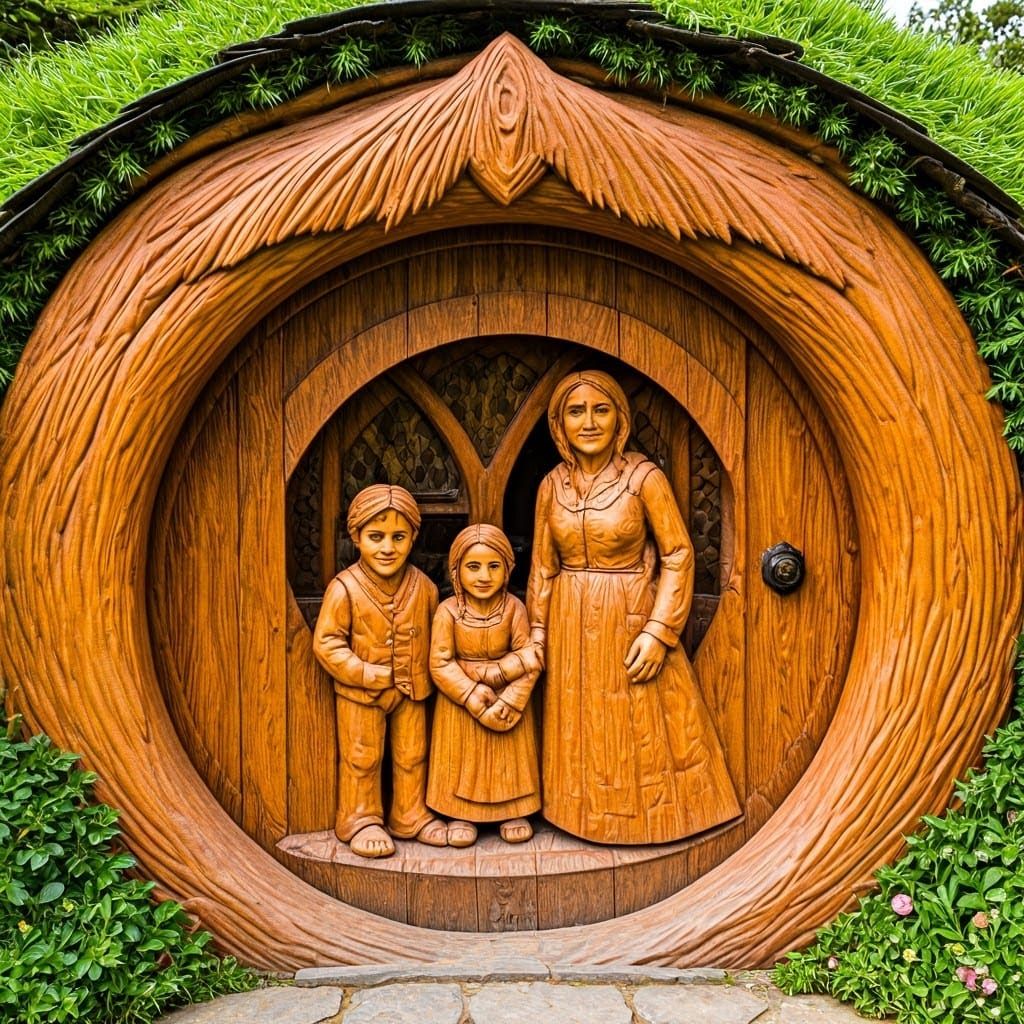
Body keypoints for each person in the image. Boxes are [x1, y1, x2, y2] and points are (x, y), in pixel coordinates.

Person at [527, 370, 740, 845]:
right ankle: (575, 813)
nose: (589, 422)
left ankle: (649, 821)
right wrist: (537, 633)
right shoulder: (552, 486)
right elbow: (542, 567)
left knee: (639, 725)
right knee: (579, 724)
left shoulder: (644, 479)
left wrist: (659, 630)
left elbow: (678, 554)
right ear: (559, 424)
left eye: (600, 410)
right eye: (576, 412)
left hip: (630, 613)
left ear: (619, 419)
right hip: (569, 620)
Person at [313, 484, 448, 858]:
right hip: (360, 694)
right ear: (356, 537)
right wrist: (364, 672)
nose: (387, 547)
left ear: (413, 538)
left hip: (412, 690)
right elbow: (327, 643)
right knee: (362, 757)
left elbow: (437, 636)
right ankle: (360, 819)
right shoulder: (344, 588)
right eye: (376, 537)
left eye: (398, 537)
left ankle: (411, 814)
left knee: (413, 754)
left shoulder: (424, 588)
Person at [426, 524, 542, 846]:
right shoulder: (448, 612)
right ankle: (459, 812)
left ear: (508, 570)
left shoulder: (515, 609)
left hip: (505, 701)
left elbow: (529, 659)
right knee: (462, 761)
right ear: (456, 571)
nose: (484, 576)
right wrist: (470, 693)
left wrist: (511, 700)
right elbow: (440, 663)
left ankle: (512, 809)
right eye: (473, 566)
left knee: (508, 761)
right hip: (462, 703)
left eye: (494, 566)